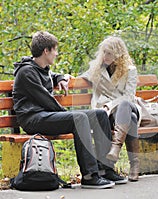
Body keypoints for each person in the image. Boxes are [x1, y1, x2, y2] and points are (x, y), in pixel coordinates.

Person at [12, 31, 126, 189]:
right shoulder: (26, 72)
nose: (56, 53)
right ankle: (89, 176)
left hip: (46, 115)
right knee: (79, 118)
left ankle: (105, 169)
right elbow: (46, 100)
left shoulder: (40, 68)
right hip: (33, 119)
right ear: (46, 51)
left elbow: (51, 75)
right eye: (55, 50)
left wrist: (60, 77)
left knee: (99, 115)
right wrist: (70, 114)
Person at [81, 36, 140, 181]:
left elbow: (129, 97)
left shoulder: (129, 70)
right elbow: (79, 77)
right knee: (131, 120)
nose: (106, 56)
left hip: (126, 107)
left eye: (110, 53)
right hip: (108, 114)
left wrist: (111, 104)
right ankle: (134, 165)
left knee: (126, 106)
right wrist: (62, 78)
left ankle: (116, 148)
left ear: (118, 55)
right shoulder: (96, 68)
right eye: (104, 52)